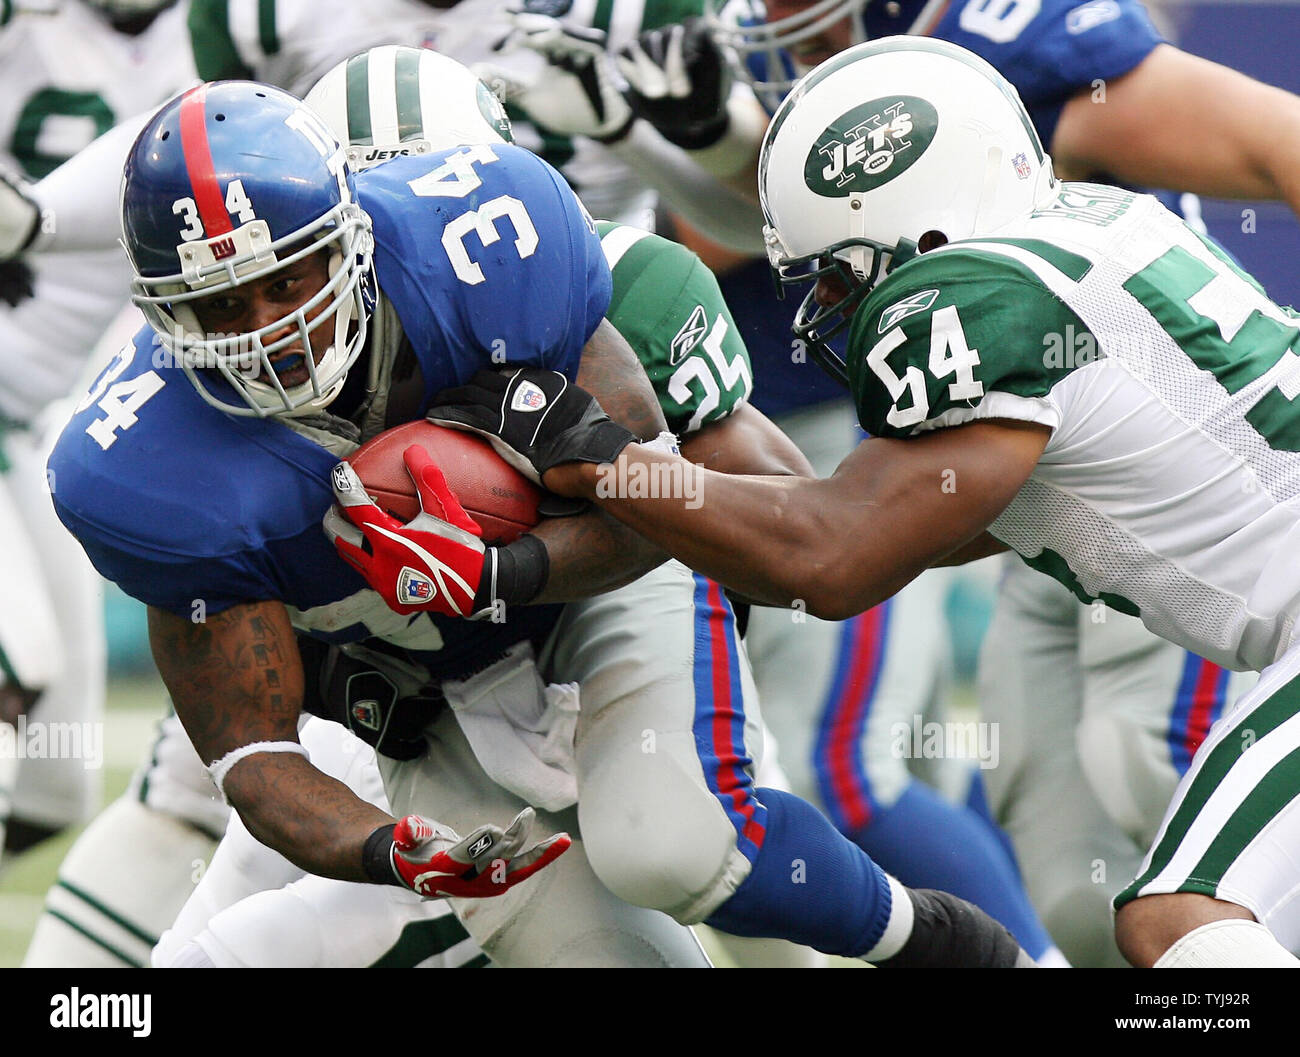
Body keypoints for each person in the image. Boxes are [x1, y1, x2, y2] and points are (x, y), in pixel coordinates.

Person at [48, 70, 1027, 966]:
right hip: (422, 703)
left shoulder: (503, 252)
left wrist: (503, 565)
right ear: (161, 314)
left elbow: (678, 512)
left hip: (596, 597)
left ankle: (943, 945)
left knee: (674, 846)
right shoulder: (137, 473)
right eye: (220, 306)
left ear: (361, 225)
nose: (267, 328)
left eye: (286, 280)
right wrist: (393, 851)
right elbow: (254, 761)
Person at [426, 36, 1300, 968]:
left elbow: (833, 558)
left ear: (923, 230)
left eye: (841, 272)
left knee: (1174, 918)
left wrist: (605, 461)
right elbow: (887, 524)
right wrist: (692, 501)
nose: (835, 305)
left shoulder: (979, 295)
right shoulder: (1089, 226)